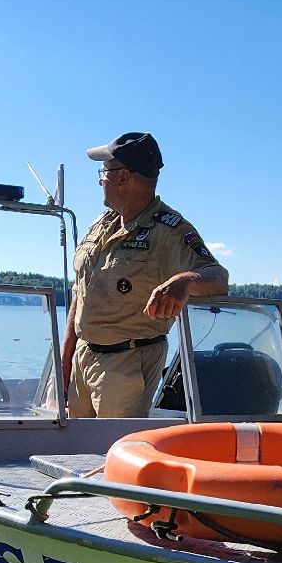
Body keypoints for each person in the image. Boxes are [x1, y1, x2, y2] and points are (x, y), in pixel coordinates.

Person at [63, 132, 229, 417]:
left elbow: (217, 278)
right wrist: (63, 366)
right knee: (75, 455)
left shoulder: (170, 231)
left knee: (112, 455)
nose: (100, 180)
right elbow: (80, 297)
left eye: (104, 172)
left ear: (123, 177)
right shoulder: (100, 225)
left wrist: (184, 281)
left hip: (125, 364)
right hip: (82, 358)